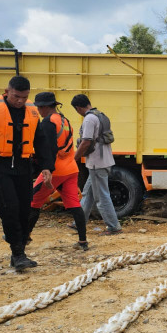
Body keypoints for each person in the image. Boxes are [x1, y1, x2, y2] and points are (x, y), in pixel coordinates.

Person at [0, 76, 54, 271]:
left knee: (25, 210)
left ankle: (19, 250)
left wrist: (46, 166)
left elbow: (41, 141)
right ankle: (17, 253)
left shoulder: (32, 112)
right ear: (7, 91)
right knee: (10, 209)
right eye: (16, 96)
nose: (20, 101)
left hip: (23, 167)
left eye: (24, 97)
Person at [26, 92, 88, 251]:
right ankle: (83, 242)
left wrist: (46, 169)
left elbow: (49, 148)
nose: (38, 111)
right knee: (75, 205)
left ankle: (24, 237)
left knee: (33, 202)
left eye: (39, 108)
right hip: (71, 168)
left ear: (45, 107)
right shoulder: (64, 120)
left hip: (55, 170)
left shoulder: (48, 122)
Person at [71, 94, 122, 235]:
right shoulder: (101, 115)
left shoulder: (89, 119)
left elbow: (86, 141)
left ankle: (113, 227)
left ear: (78, 108)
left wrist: (74, 158)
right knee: (88, 193)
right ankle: (79, 222)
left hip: (96, 163)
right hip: (104, 160)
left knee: (101, 197)